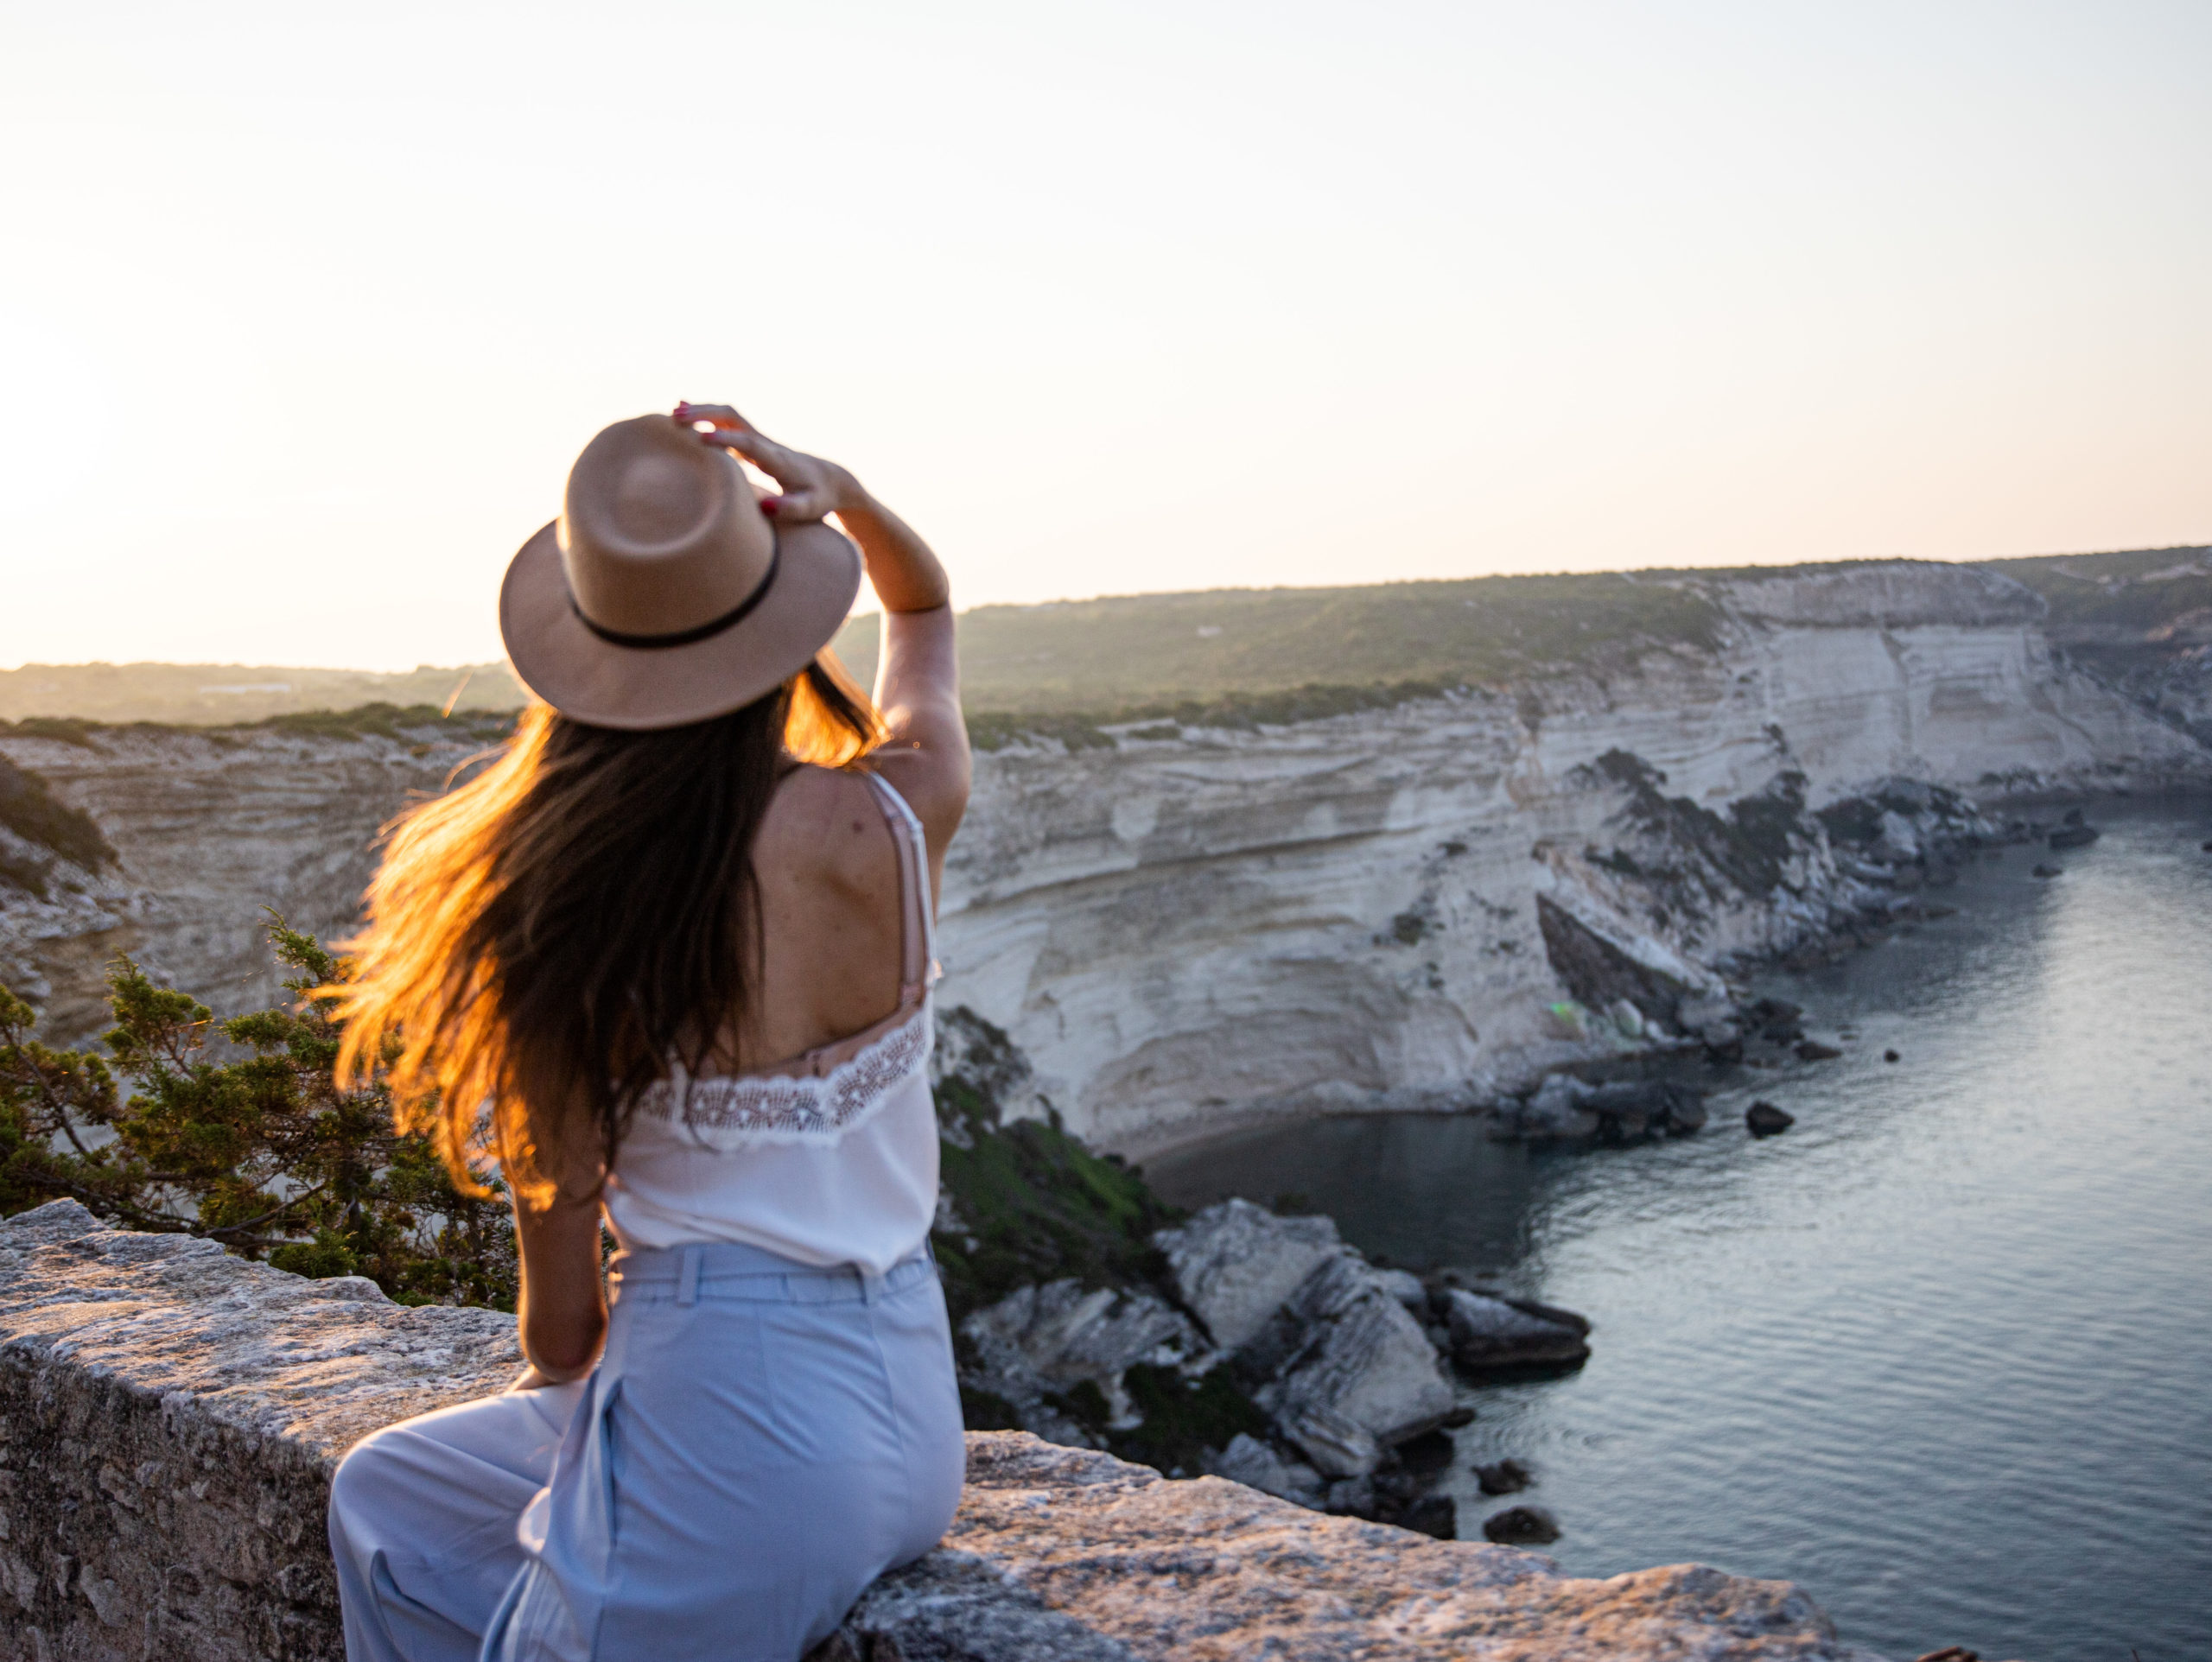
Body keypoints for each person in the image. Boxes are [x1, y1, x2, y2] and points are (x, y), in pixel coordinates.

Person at [321, 405, 969, 1662]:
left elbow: (562, 1336)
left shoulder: (568, 915)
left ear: (586, 664)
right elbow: (926, 619)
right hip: (906, 1412)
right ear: (782, 623)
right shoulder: (897, 813)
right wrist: (846, 497)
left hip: (737, 1427)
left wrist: (605, 1420)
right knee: (385, 1500)